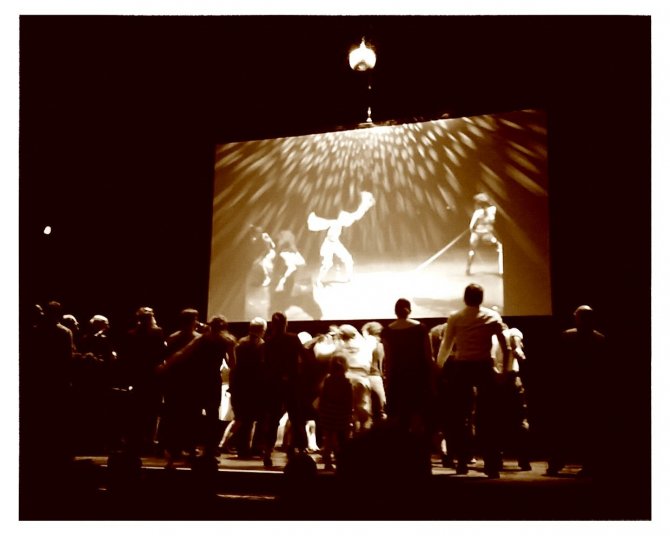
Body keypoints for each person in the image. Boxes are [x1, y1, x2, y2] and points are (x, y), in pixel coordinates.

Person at [437, 284, 511, 478]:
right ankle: (491, 464)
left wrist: (438, 367)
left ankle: (462, 461)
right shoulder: (492, 316)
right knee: (488, 417)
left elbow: (446, 345)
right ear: (481, 298)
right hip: (484, 366)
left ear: (465, 298)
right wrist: (504, 371)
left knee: (460, 417)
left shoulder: (455, 317)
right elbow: (505, 347)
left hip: (462, 367)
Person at [546, 305, 606, 477]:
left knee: (564, 429)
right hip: (590, 391)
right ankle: (589, 465)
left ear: (578, 318)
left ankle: (556, 464)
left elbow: (558, 364)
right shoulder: (600, 339)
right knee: (588, 430)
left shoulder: (567, 336)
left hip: (570, 390)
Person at [260, 312, 312, 467]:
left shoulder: (269, 342)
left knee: (273, 419)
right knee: (296, 419)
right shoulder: (293, 338)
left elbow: (265, 364)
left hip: (274, 384)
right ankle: (300, 450)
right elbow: (305, 357)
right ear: (286, 323)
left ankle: (267, 452)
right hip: (292, 383)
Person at [118, 306, 167, 456]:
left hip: (138, 377)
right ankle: (149, 442)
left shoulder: (131, 334)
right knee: (152, 411)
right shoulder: (157, 333)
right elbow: (161, 353)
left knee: (137, 411)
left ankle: (135, 442)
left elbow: (126, 358)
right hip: (153, 377)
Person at [381, 299, 434, 437]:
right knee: (418, 414)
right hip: (418, 376)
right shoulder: (421, 328)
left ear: (395, 312)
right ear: (409, 310)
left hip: (398, 377)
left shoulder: (387, 331)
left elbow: (389, 360)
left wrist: (388, 381)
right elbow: (428, 355)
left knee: (401, 415)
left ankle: (403, 445)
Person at [157, 308, 202, 467]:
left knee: (174, 415)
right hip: (192, 382)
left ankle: (173, 447)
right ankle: (189, 446)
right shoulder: (198, 338)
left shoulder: (172, 337)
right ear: (193, 321)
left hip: (175, 382)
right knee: (191, 415)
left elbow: (165, 358)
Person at [307, 190, 375, 287]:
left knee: (348, 260)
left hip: (335, 243)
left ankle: (349, 279)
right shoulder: (336, 221)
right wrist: (364, 205)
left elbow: (354, 216)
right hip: (328, 244)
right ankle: (318, 281)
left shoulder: (340, 219)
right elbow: (353, 216)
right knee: (327, 265)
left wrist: (364, 205)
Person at [491, 323, 532, 471]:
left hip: (497, 380)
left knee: (496, 422)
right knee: (520, 420)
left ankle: (496, 460)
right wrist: (518, 349)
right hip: (511, 378)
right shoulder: (511, 332)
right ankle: (524, 459)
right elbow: (516, 341)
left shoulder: (490, 338)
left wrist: (497, 373)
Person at [228, 316, 267, 458]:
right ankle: (256, 447)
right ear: (262, 330)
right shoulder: (261, 345)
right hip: (256, 387)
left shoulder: (240, 344)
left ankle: (242, 448)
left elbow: (234, 366)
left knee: (244, 419)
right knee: (259, 418)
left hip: (241, 386)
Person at [269, 230, 322, 320]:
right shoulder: (291, 255)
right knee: (276, 310)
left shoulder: (287, 255)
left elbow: (292, 269)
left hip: (292, 289)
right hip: (292, 289)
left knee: (276, 310)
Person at [316, 354, 353, 470]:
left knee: (328, 438)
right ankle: (342, 461)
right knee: (342, 439)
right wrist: (350, 413)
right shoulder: (346, 382)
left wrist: (321, 410)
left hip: (328, 412)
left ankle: (327, 461)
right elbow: (349, 400)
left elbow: (323, 397)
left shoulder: (328, 381)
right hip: (341, 413)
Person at [466, 193, 503, 276]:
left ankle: (468, 269)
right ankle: (501, 271)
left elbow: (471, 226)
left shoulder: (481, 212)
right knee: (500, 247)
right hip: (482, 234)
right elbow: (471, 226)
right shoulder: (491, 210)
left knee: (472, 250)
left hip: (483, 234)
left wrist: (474, 230)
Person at [361, 321, 387, 425]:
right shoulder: (380, 346)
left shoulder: (362, 345)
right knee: (381, 409)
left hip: (364, 377)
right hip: (376, 377)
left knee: (365, 409)